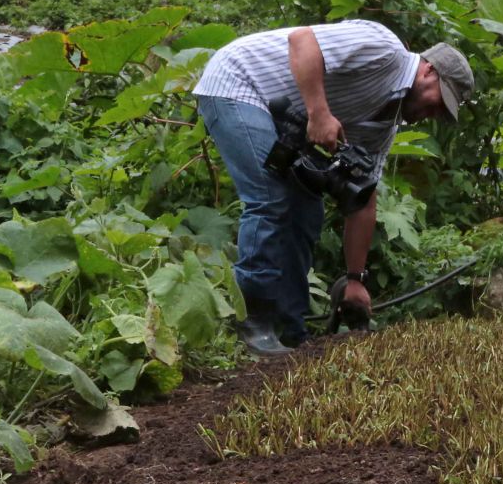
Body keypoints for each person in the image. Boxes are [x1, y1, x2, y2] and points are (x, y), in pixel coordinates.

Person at [193, 22, 475, 356]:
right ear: (429, 71)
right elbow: (302, 41)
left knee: (306, 209)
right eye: (437, 102)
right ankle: (254, 323)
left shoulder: (384, 125)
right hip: (238, 82)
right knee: (271, 197)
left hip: (280, 116)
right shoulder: (385, 48)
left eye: (441, 113)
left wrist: (355, 279)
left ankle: (290, 329)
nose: (432, 114)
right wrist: (320, 113)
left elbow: (363, 198)